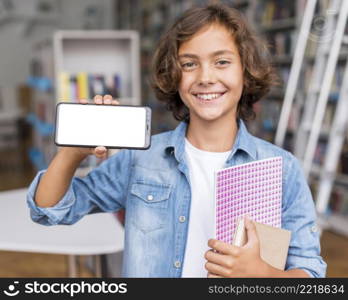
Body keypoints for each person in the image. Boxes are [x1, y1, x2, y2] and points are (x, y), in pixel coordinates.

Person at [27, 4, 326, 278]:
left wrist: (265, 275)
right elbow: (49, 210)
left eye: (221, 61)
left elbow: (310, 272)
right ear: (174, 75)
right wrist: (72, 154)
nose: (205, 77)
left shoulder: (281, 168)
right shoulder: (140, 160)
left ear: (245, 72)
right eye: (189, 64)